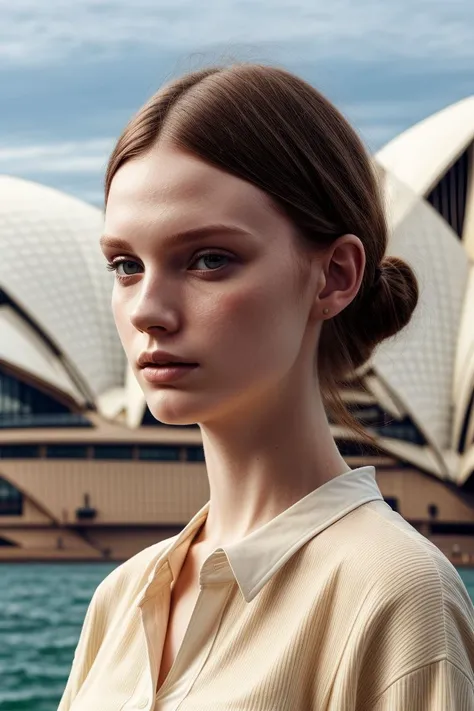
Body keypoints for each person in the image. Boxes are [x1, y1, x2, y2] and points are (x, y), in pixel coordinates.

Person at [57, 63, 474, 711]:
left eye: (209, 259)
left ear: (334, 275)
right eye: (125, 265)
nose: (146, 309)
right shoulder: (123, 597)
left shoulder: (394, 592)